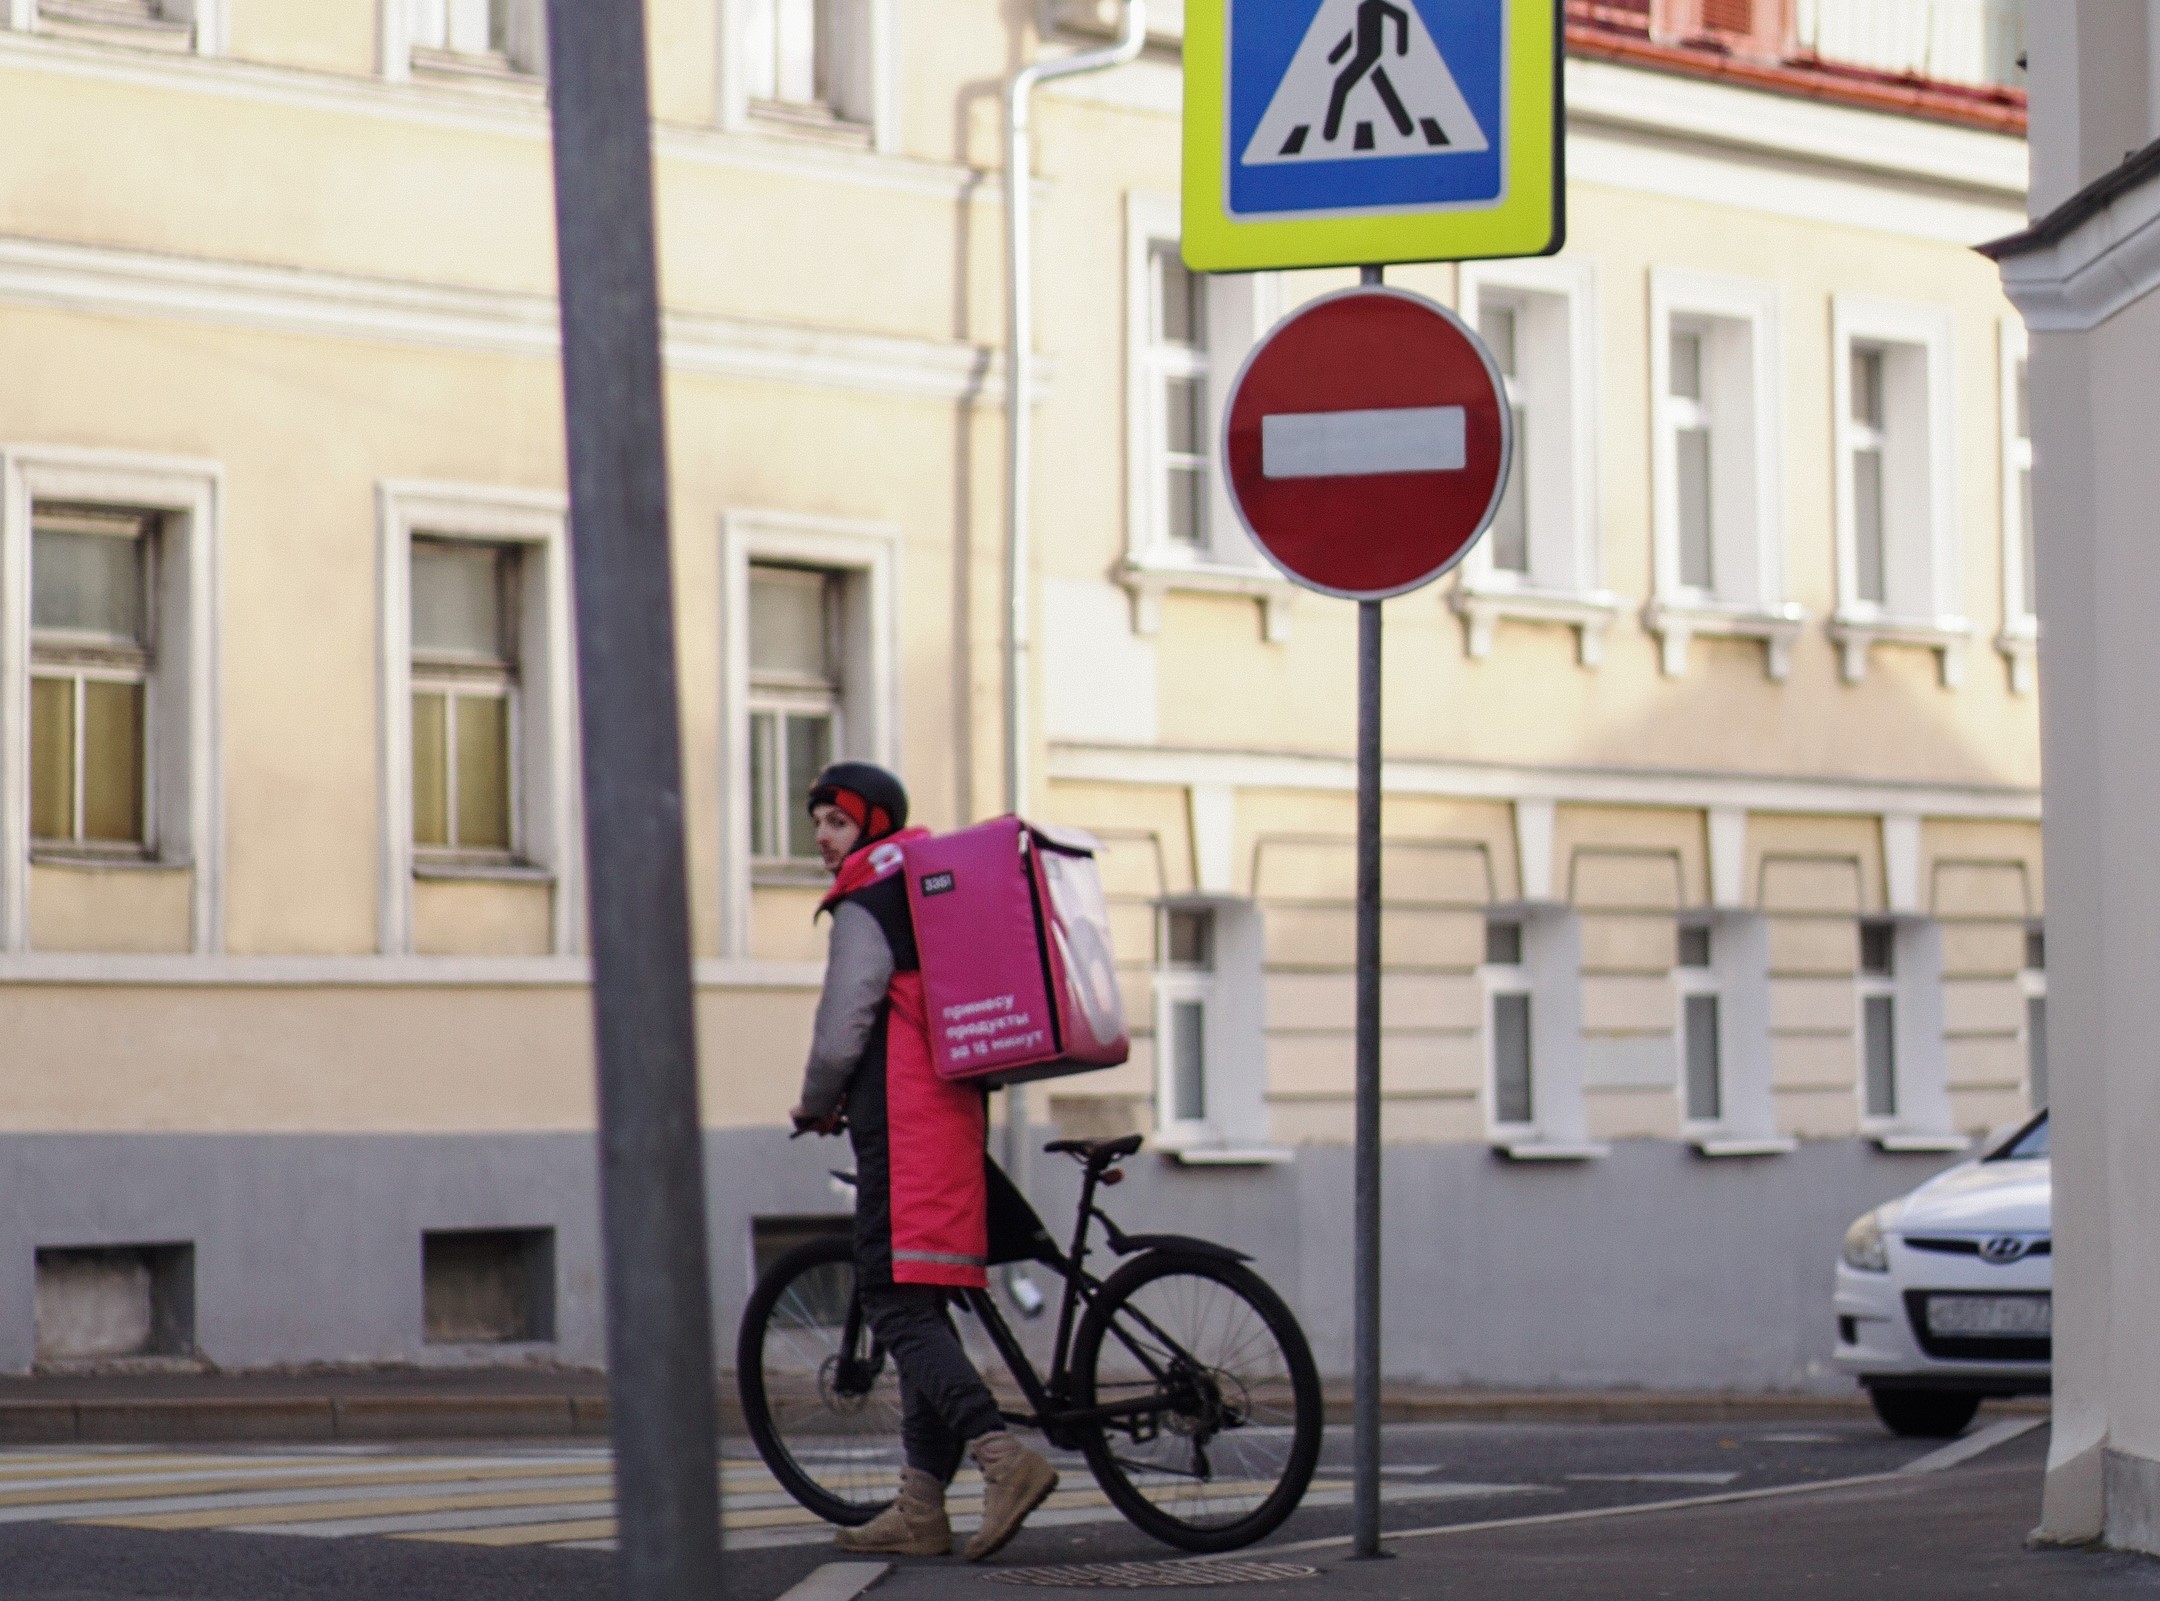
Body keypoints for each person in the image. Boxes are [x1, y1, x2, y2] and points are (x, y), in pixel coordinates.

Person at [788, 761, 1059, 1561]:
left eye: (835, 823)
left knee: (894, 1300)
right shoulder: (920, 886)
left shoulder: (870, 898)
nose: (823, 839)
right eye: (818, 825)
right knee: (923, 1303)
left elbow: (844, 1026)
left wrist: (812, 1099)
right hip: (943, 1115)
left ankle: (1000, 1456)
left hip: (903, 1125)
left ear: (871, 823)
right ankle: (919, 1507)